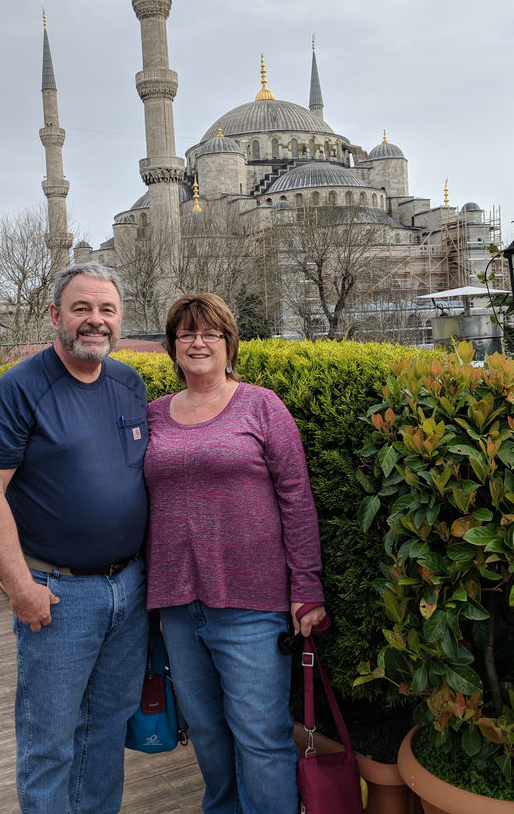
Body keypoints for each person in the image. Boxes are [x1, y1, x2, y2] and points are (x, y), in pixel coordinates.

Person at [0, 263, 149, 814]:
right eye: (81, 309)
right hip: (57, 595)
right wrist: (18, 585)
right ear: (55, 316)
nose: (95, 321)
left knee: (106, 731)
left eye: (107, 310)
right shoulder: (19, 388)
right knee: (49, 743)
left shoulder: (130, 383)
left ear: (119, 320)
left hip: (130, 590)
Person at [144, 292, 326, 814]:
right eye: (186, 334)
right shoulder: (152, 415)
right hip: (179, 605)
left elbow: (297, 499)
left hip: (253, 603)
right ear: (172, 347)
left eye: (210, 334)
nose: (198, 342)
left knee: (262, 738)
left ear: (229, 344)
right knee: (205, 731)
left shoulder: (261, 406)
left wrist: (307, 587)